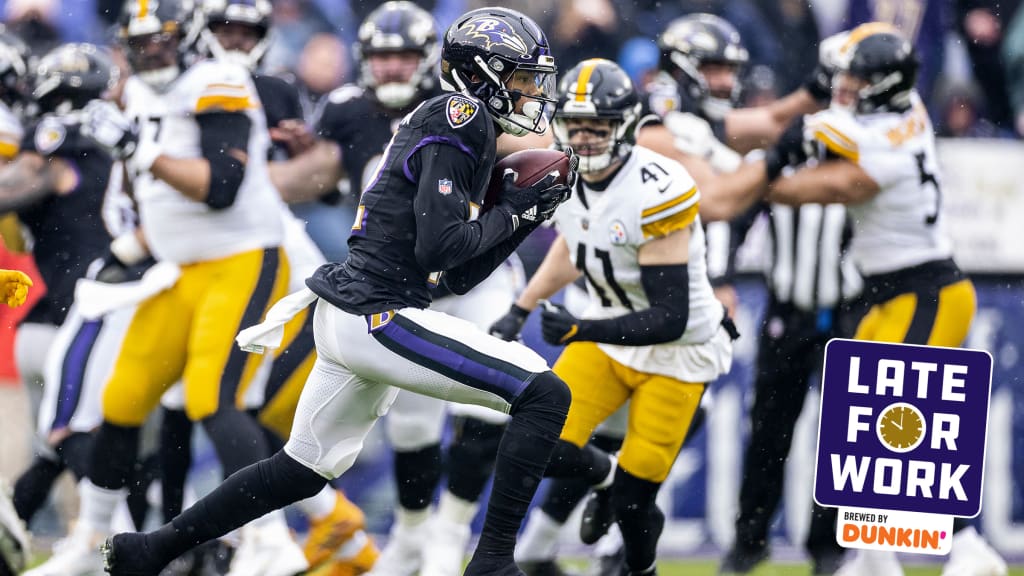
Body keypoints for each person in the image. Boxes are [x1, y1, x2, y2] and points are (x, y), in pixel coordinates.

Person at [102, 7, 575, 576]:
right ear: (483, 75)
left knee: (300, 468)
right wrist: (515, 211)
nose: (531, 93)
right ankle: (494, 560)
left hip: (359, 312)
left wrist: (520, 219)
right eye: (522, 79)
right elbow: (441, 250)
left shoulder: (460, 121)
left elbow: (456, 277)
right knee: (545, 395)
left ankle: (150, 549)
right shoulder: (461, 116)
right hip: (377, 314)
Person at [29, 0, 307, 574]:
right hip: (179, 268)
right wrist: (129, 223)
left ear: (188, 38)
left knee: (213, 398)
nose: (153, 51)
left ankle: (270, 538)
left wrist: (138, 149)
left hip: (241, 259)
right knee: (122, 398)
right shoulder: (136, 94)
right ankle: (91, 541)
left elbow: (221, 186)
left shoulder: (219, 80)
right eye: (141, 43)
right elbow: (138, 188)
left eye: (165, 39)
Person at [729, 23, 1008, 576]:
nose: (846, 85)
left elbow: (793, 169)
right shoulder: (905, 115)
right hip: (889, 294)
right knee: (859, 435)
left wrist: (748, 172)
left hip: (925, 290)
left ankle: (971, 549)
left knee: (896, 428)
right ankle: (874, 556)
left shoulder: (875, 142)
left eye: (857, 77)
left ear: (881, 85)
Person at [490, 58, 735, 576]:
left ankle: (639, 567)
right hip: (606, 335)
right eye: (576, 126)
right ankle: (603, 476)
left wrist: (581, 330)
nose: (585, 139)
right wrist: (521, 308)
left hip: (677, 351)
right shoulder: (562, 171)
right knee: (539, 446)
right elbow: (575, 245)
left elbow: (669, 316)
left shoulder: (658, 186)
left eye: (597, 127)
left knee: (634, 505)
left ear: (623, 126)